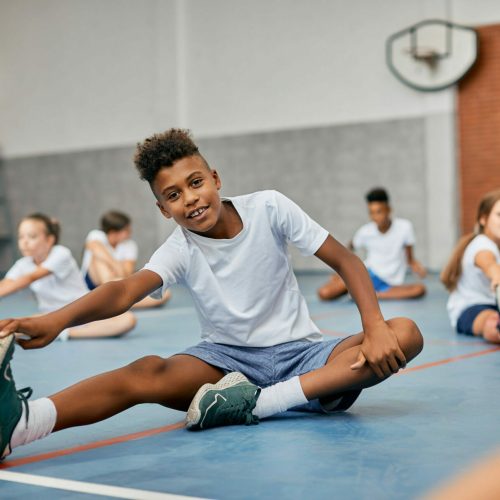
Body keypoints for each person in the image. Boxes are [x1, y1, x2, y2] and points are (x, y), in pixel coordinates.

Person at [0, 129, 423, 460]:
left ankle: (258, 405)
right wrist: (55, 319)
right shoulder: (180, 248)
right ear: (164, 210)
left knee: (404, 332)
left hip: (305, 358)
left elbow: (347, 261)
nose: (190, 199)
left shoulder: (269, 207)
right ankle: (23, 424)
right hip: (225, 367)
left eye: (196, 182)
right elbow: (123, 291)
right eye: (173, 195)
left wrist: (374, 327)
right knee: (147, 370)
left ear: (215, 178)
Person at [0, 213, 136, 340]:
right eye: (21, 237)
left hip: (83, 314)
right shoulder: (22, 264)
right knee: (10, 326)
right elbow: (6, 284)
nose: (25, 242)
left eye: (32, 237)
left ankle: (64, 333)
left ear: (49, 240)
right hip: (51, 316)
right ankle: (51, 329)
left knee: (128, 320)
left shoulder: (61, 254)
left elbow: (30, 278)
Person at [317, 187, 427, 301]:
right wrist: (341, 272)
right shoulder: (365, 231)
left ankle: (370, 295)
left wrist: (417, 267)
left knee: (420, 290)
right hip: (366, 275)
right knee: (324, 293)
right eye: (371, 213)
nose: (375, 217)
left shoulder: (405, 227)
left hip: (389, 283)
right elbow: (348, 248)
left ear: (388, 209)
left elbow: (410, 259)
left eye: (379, 212)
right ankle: (363, 292)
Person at [440, 190, 500, 344]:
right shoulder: (482, 244)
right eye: (499, 215)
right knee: (492, 324)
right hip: (471, 309)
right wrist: (496, 273)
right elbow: (487, 261)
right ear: (483, 219)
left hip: (493, 305)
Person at [81, 210, 171, 308]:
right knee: (98, 259)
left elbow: (126, 274)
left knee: (164, 294)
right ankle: (116, 303)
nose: (130, 232)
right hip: (92, 285)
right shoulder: (96, 235)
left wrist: (115, 272)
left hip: (117, 288)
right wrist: (116, 265)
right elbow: (95, 248)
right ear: (113, 232)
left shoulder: (130, 245)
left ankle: (111, 305)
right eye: (126, 230)